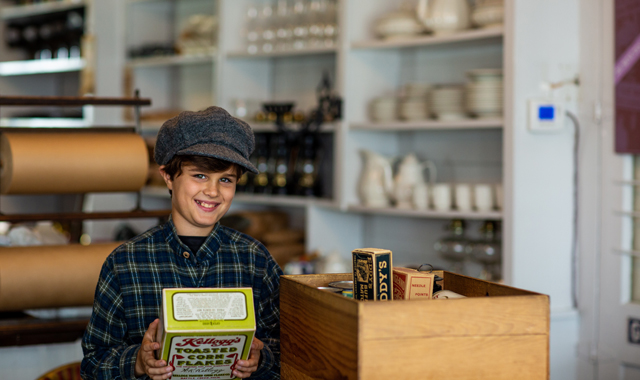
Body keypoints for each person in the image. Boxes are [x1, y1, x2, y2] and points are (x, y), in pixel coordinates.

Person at [81, 106, 282, 380]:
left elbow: (294, 350)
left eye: (225, 179)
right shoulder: (125, 263)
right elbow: (93, 364)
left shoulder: (256, 260)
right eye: (199, 175)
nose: (212, 191)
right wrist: (138, 362)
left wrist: (263, 359)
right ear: (168, 176)